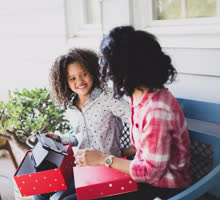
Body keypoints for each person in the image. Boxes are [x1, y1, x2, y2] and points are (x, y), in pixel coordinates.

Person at [74, 26, 192, 200]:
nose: (107, 73)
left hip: (164, 189)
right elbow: (143, 150)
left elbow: (150, 173)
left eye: (109, 66)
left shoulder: (157, 109)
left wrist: (104, 160)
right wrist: (118, 155)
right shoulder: (137, 95)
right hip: (142, 177)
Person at [33, 48, 131, 200]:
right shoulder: (71, 106)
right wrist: (60, 139)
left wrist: (132, 150)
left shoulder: (108, 97)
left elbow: (138, 121)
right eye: (72, 78)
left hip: (106, 169)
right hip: (80, 168)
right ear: (65, 81)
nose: (79, 82)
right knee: (40, 191)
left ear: (92, 72)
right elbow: (79, 137)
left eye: (83, 74)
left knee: (61, 199)